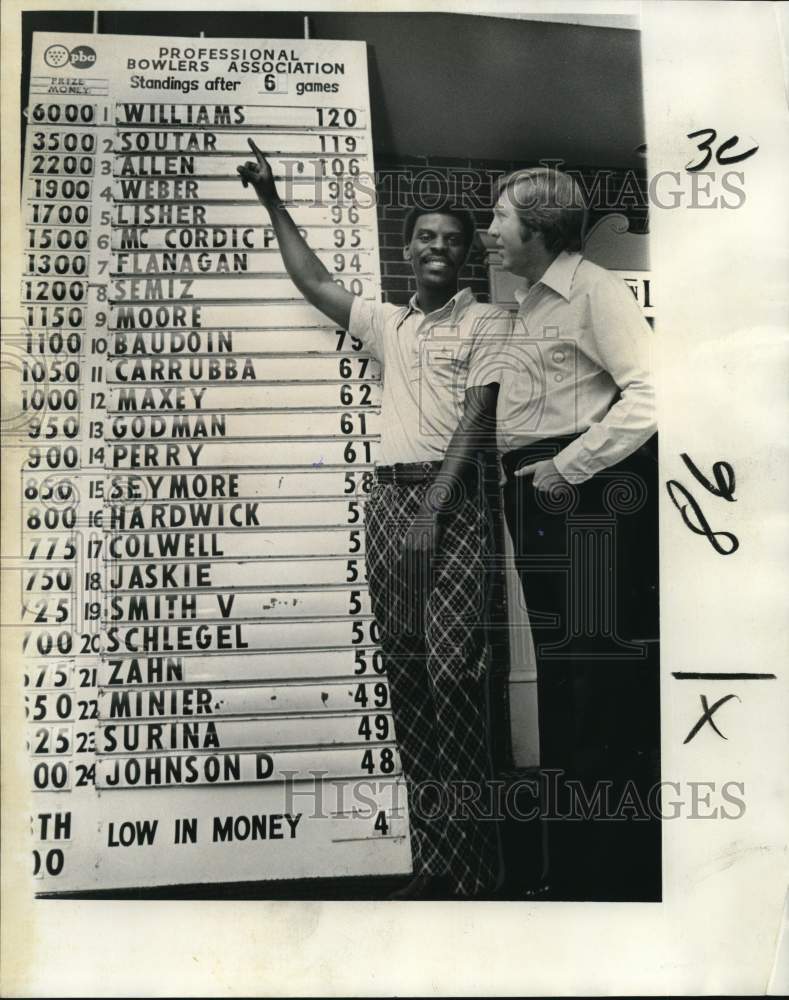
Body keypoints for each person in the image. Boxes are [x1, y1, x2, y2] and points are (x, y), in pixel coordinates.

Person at [238, 141, 508, 899]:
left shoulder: (486, 321)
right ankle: (436, 864)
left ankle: (480, 867)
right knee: (407, 677)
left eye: (452, 241)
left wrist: (433, 507)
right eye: (426, 237)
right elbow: (314, 279)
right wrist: (269, 198)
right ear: (407, 246)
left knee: (454, 675)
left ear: (464, 257)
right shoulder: (387, 323)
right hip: (387, 505)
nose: (438, 248)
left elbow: (477, 423)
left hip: (447, 509)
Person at [489, 167, 659, 898]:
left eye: (499, 220)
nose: (489, 232)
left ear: (541, 231)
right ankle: (574, 871)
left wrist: (568, 466)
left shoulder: (594, 288)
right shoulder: (530, 302)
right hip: (540, 495)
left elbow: (652, 390)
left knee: (591, 678)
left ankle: (604, 879)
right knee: (567, 674)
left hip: (577, 502)